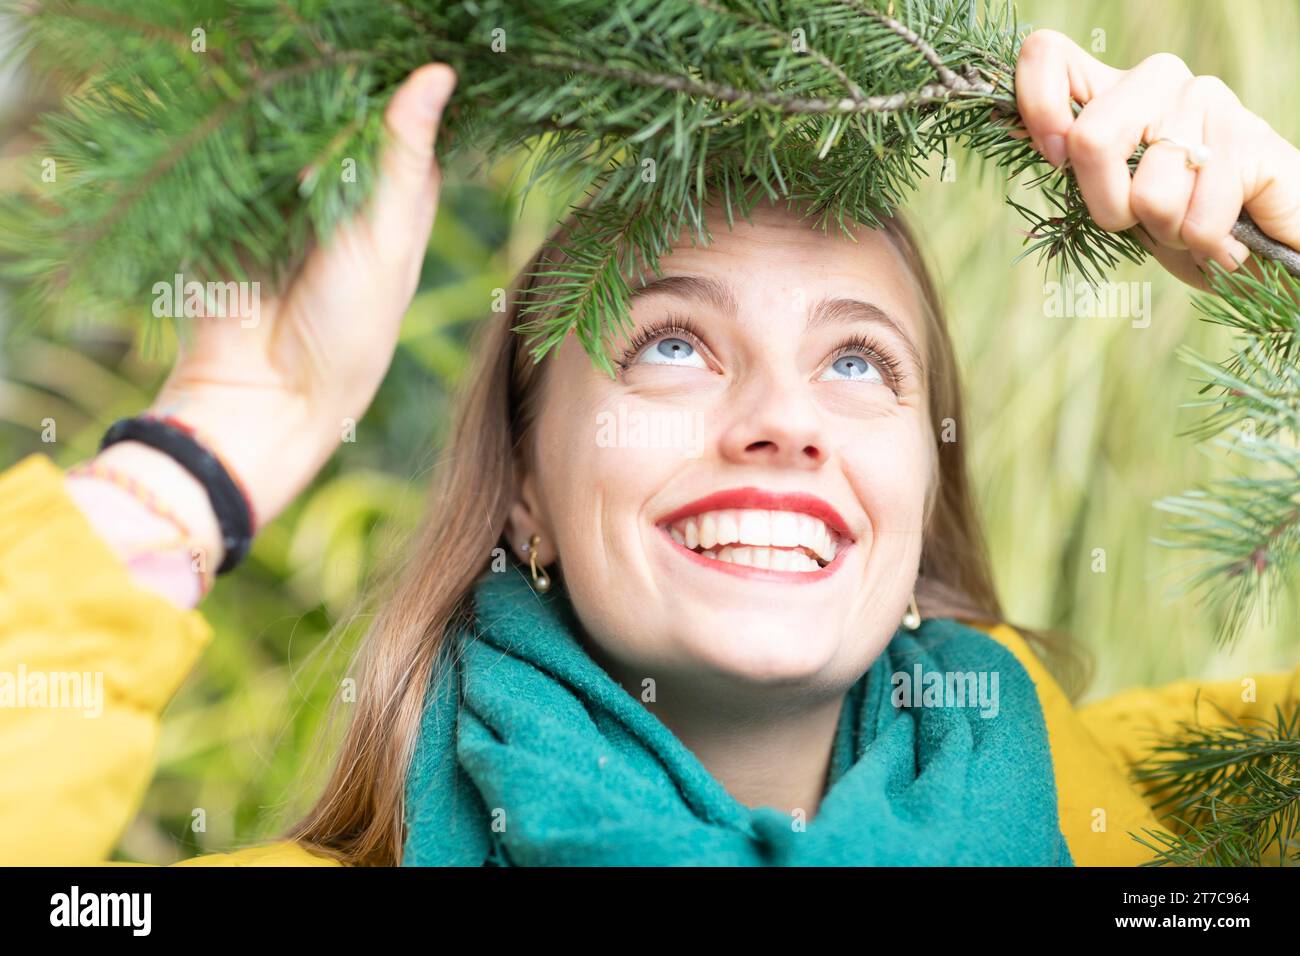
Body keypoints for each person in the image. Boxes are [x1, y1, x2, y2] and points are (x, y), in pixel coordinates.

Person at [1, 30, 1297, 867]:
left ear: (922, 487)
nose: (784, 420)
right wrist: (224, 431)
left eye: (859, 364)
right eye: (670, 345)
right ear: (524, 495)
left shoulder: (1188, 829)